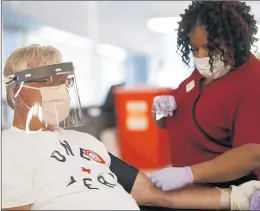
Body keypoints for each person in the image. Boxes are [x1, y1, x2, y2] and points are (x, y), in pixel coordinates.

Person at [2, 45, 260, 211]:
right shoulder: (9, 149)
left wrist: (235, 198)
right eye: (47, 82)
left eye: (62, 82)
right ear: (17, 92)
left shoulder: (86, 142)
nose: (60, 91)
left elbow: (153, 194)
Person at [150, 1, 260, 192]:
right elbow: (166, 122)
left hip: (225, 195)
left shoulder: (252, 79)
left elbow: (253, 154)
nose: (200, 56)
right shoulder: (202, 74)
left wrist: (190, 174)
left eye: (210, 47)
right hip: (188, 189)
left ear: (234, 40)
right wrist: (159, 111)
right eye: (194, 48)